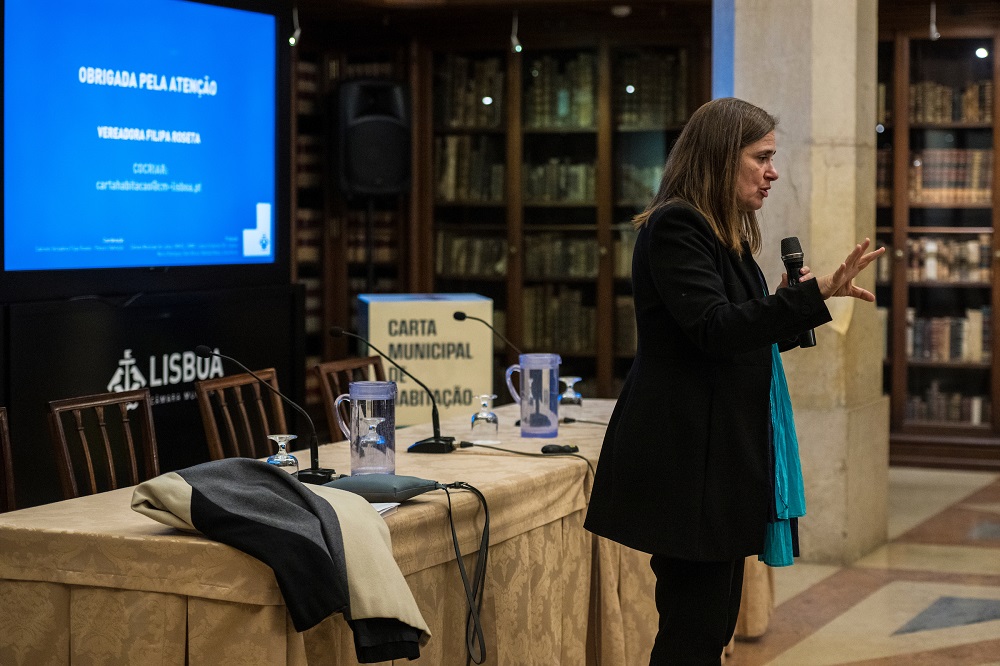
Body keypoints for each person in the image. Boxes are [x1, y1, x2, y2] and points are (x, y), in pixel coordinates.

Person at [583, 97, 884, 665]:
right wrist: (803, 299)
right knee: (692, 631)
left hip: (717, 456)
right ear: (722, 158)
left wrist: (798, 304)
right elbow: (714, 328)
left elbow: (737, 333)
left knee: (713, 626)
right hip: (686, 459)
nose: (773, 172)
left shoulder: (728, 235)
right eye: (762, 157)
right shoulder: (678, 225)